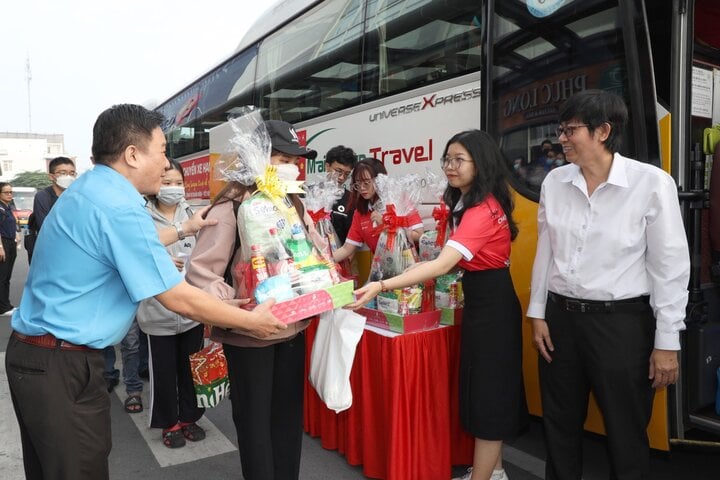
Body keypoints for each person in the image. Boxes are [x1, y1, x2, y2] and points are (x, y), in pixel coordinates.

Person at [4, 104, 287, 480]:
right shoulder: (118, 205)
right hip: (62, 365)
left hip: (41, 359)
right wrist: (251, 321)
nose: (166, 163)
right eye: (163, 150)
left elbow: (129, 247)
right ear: (133, 154)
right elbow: (177, 297)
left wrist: (182, 235)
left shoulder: (93, 189)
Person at [527, 90, 690, 479]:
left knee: (625, 430)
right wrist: (537, 313)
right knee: (560, 423)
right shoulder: (555, 182)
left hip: (621, 325)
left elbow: (669, 266)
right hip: (560, 319)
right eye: (561, 129)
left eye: (571, 130)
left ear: (603, 131)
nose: (561, 138)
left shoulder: (651, 184)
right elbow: (546, 251)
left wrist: (667, 341)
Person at [350, 130, 527, 480]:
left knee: (489, 397)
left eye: (459, 159)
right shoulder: (472, 202)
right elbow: (442, 259)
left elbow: (444, 264)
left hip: (492, 306)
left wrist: (382, 284)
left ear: (482, 162)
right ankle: (495, 472)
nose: (450, 166)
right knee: (487, 390)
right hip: (483, 299)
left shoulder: (481, 209)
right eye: (447, 158)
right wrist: (408, 267)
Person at [186, 119, 317, 479]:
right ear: (256, 156)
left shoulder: (292, 203)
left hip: (293, 327)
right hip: (250, 334)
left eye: (294, 157)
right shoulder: (231, 207)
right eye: (280, 155)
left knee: (288, 418)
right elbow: (201, 273)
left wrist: (324, 282)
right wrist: (236, 307)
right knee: (255, 423)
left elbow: (308, 255)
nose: (290, 164)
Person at [137, 158, 206, 448]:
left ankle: (190, 417)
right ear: (155, 184)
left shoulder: (195, 213)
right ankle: (170, 423)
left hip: (193, 310)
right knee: (163, 374)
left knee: (192, 368)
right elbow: (134, 255)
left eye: (178, 182)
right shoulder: (140, 216)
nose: (173, 188)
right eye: (167, 182)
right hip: (157, 313)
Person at [331, 158, 424, 264]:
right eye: (357, 184)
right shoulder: (360, 213)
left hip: (408, 266)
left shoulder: (400, 201)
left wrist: (387, 225)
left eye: (366, 183)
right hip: (381, 269)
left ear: (379, 180)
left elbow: (419, 235)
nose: (362, 188)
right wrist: (324, 262)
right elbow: (346, 249)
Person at [25, 156, 77, 264]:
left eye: (72, 173)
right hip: (49, 252)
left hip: (71, 253)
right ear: (51, 176)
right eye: (62, 173)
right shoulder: (43, 197)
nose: (68, 176)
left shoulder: (76, 197)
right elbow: (46, 227)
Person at [324, 145, 357, 244]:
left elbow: (353, 238)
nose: (342, 178)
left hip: (340, 256)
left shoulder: (352, 199)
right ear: (327, 166)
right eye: (338, 171)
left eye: (347, 174)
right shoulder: (310, 193)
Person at [0, 182, 18, 315]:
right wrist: (0, 247)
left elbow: (12, 224)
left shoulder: (8, 207)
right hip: (3, 243)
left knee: (7, 277)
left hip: (11, 243)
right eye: (6, 192)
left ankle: (7, 305)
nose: (10, 194)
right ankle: (3, 308)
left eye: (11, 192)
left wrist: (16, 234)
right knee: (2, 276)